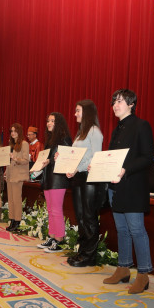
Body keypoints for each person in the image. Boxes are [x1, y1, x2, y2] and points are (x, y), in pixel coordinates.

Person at [104, 89, 154, 293]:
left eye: (120, 101)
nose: (115, 105)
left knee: (136, 230)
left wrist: (125, 169)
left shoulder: (141, 125)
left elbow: (147, 156)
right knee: (122, 230)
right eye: (114, 101)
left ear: (131, 104)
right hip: (115, 186)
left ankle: (143, 274)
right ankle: (123, 268)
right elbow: (112, 158)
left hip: (133, 186)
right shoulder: (118, 128)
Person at [66, 100, 103, 267]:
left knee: (89, 216)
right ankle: (82, 251)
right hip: (78, 178)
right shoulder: (81, 132)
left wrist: (81, 167)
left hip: (90, 178)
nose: (75, 114)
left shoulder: (94, 132)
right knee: (80, 216)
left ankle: (90, 255)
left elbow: (96, 157)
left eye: (78, 110)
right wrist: (70, 167)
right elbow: (77, 156)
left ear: (86, 112)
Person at [35, 113, 72, 251]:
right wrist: (47, 161)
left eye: (52, 121)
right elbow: (50, 159)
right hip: (48, 177)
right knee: (50, 210)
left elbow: (70, 157)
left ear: (59, 123)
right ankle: (52, 237)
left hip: (58, 179)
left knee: (56, 210)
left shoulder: (65, 138)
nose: (49, 123)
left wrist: (59, 158)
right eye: (48, 120)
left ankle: (60, 240)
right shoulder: (50, 140)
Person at [5, 124, 30, 232]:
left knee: (16, 199)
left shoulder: (24, 144)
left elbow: (25, 160)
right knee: (10, 199)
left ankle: (17, 221)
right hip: (10, 174)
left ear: (19, 132)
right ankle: (12, 219)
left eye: (15, 131)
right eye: (11, 131)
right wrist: (6, 170)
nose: (13, 133)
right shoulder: (11, 144)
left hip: (18, 175)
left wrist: (15, 158)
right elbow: (8, 161)